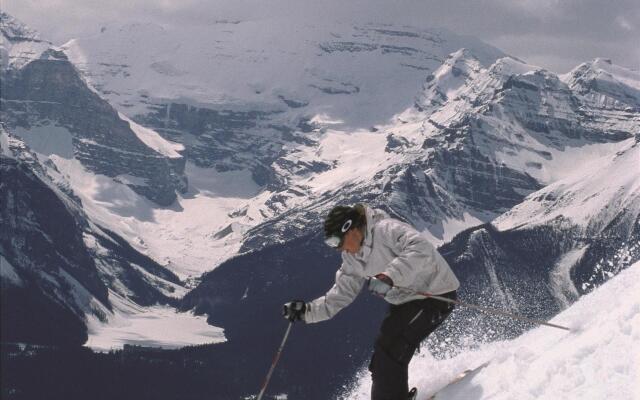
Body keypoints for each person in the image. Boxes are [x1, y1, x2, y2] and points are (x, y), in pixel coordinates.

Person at [283, 204, 460, 400]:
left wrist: (389, 276)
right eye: (331, 244)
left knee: (391, 348)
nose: (338, 248)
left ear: (350, 229)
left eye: (336, 241)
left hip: (435, 294)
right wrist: (307, 311)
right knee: (381, 355)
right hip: (405, 302)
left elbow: (420, 249)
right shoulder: (353, 258)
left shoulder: (386, 230)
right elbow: (340, 294)